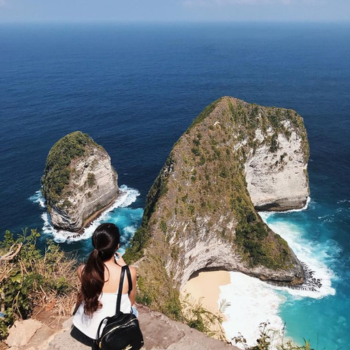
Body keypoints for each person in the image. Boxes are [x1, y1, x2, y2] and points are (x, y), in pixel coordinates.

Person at [72, 223, 137, 342]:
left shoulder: (82, 270)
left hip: (89, 328)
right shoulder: (129, 272)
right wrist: (124, 267)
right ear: (117, 247)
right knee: (135, 310)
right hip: (113, 329)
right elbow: (131, 302)